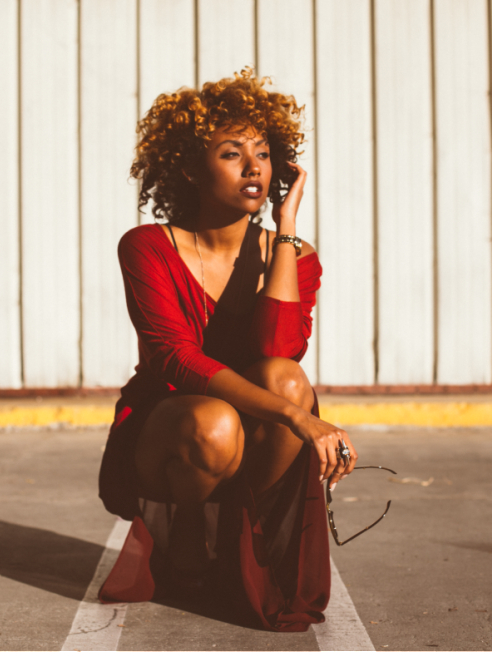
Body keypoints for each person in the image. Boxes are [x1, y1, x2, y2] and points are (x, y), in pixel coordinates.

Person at [97, 67, 358, 632]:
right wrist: (299, 420)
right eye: (232, 153)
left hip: (254, 431)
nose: (254, 167)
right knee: (218, 423)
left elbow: (278, 348)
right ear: (190, 169)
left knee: (288, 377)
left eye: (263, 153)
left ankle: (233, 537)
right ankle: (182, 529)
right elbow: (174, 359)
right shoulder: (148, 246)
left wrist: (285, 228)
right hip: (171, 430)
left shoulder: (293, 253)